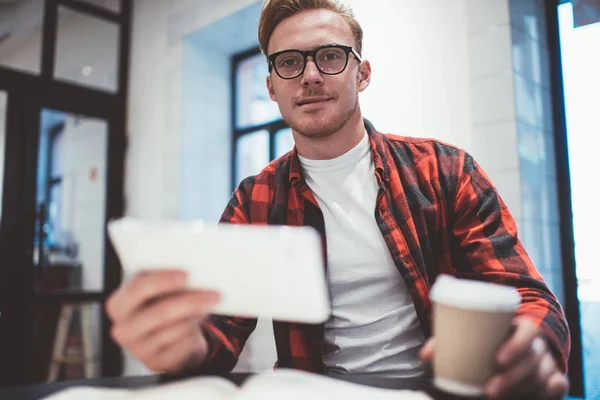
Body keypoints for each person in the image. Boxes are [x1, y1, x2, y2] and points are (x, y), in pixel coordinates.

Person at [106, 0, 570, 398]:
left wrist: (533, 344)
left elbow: (527, 295)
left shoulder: (443, 171)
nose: (309, 76)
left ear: (361, 73)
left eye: (330, 56)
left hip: (436, 391)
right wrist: (183, 345)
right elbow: (221, 327)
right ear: (272, 87)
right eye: (288, 62)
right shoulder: (256, 199)